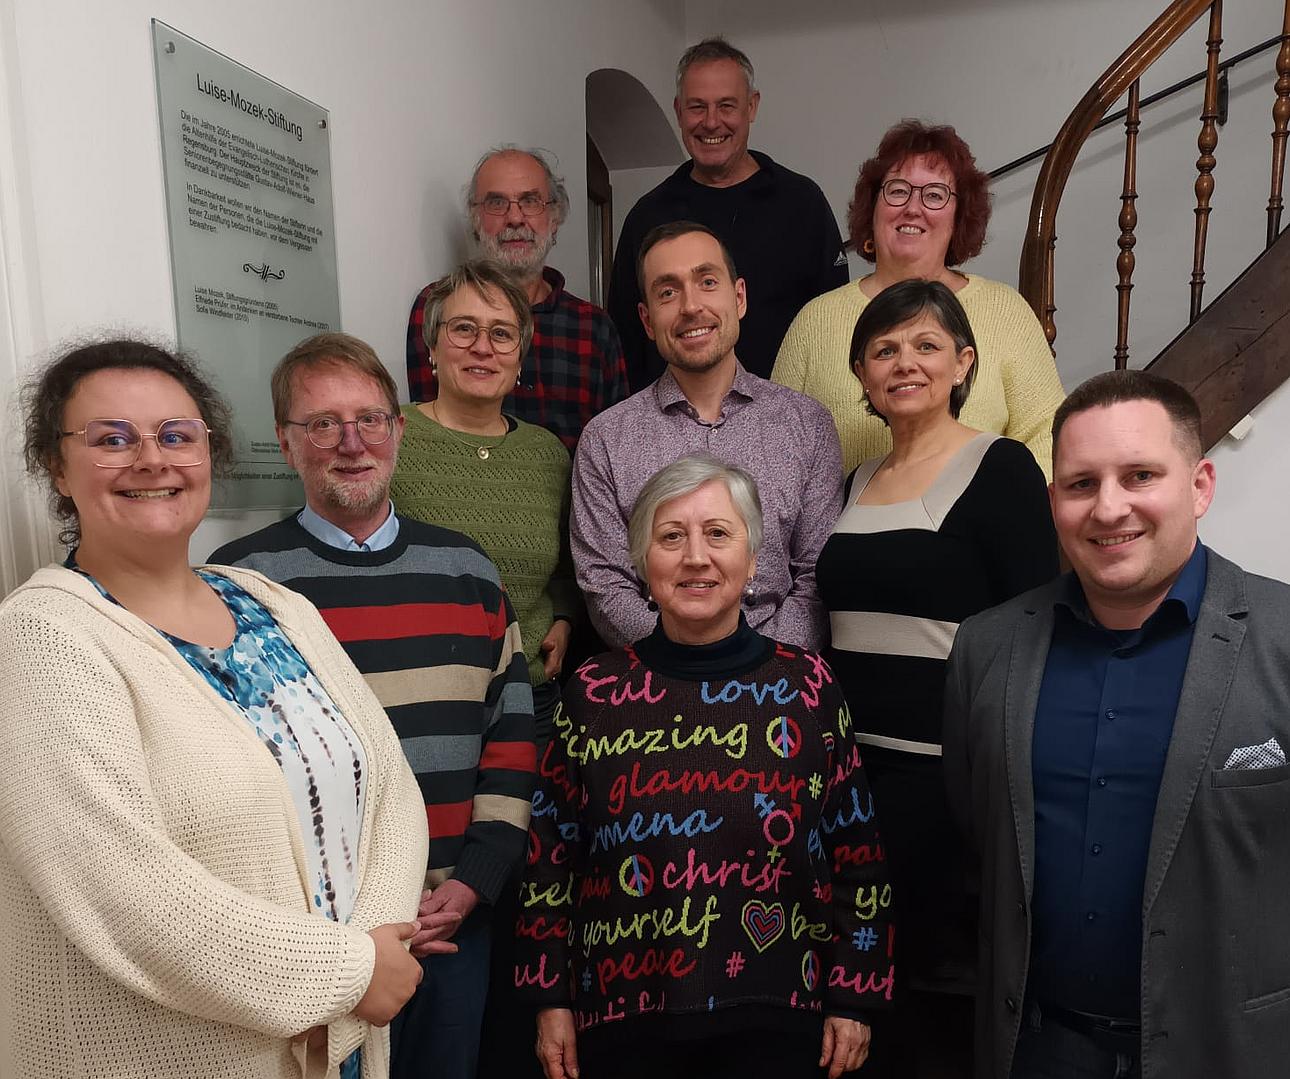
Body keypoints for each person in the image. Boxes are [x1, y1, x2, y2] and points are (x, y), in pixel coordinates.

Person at [0, 339, 434, 1079]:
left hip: (342, 1041)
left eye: (177, 434)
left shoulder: (273, 602)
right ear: (57, 467)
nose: (151, 458)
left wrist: (374, 948)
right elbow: (123, 891)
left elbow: (387, 782)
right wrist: (353, 971)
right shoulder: (43, 636)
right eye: (112, 439)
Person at [943, 369, 1290, 1079]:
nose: (1109, 507)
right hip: (1039, 1051)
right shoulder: (987, 648)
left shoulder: (1283, 639)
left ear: (1198, 486)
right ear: (1054, 502)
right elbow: (979, 831)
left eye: (1139, 475)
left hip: (1230, 1051)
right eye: (1080, 484)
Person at [209, 332, 536, 1079]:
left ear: (400, 430)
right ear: (288, 444)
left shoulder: (467, 569)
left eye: (369, 419)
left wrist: (475, 880)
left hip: (451, 921)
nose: (350, 443)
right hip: (319, 942)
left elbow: (512, 732)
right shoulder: (243, 585)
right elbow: (233, 764)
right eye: (322, 423)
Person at [518, 454, 894, 1079]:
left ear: (752, 561)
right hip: (621, 1017)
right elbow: (551, 857)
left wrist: (855, 993)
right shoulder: (592, 692)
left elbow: (858, 850)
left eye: (718, 533)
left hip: (781, 1012)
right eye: (671, 537)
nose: (696, 557)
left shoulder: (807, 687)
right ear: (643, 563)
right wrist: (549, 996)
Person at [816, 280, 1058, 1078]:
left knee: (941, 994)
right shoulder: (853, 482)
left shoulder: (1003, 466)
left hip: (948, 777)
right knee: (863, 986)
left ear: (964, 362)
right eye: (885, 349)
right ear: (861, 372)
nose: (905, 362)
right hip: (853, 776)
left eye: (926, 345)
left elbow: (1035, 625)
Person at [574, 220, 842, 654]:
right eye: (667, 291)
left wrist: (756, 667)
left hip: (781, 684)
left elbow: (818, 576)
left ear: (738, 297)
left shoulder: (806, 425)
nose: (690, 306)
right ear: (646, 319)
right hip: (653, 690)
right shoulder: (606, 439)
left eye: (707, 281)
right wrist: (683, 667)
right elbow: (604, 584)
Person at [773, 119, 1066, 477]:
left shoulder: (1004, 310)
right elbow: (776, 446)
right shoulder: (816, 320)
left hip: (982, 528)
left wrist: (996, 509)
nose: (913, 208)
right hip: (848, 528)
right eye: (898, 191)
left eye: (934, 195)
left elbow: (1048, 435)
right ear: (873, 205)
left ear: (958, 217)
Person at [394, 258, 578, 740]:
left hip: (531, 699)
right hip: (415, 697)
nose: (483, 347)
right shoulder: (386, 436)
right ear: (432, 345)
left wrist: (563, 617)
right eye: (463, 329)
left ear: (520, 356)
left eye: (502, 334)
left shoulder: (546, 454)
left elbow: (565, 567)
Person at [608, 37, 847, 387]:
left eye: (726, 106)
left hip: (783, 420)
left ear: (751, 106)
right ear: (678, 111)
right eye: (697, 107)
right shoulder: (648, 216)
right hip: (672, 428)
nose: (711, 122)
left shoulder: (802, 203)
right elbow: (625, 340)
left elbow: (832, 324)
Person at [407, 146, 628, 452]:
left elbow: (615, 448)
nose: (514, 218)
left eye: (530, 201)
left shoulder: (595, 328)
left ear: (554, 216)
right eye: (496, 202)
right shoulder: (436, 307)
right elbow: (426, 433)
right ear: (475, 218)